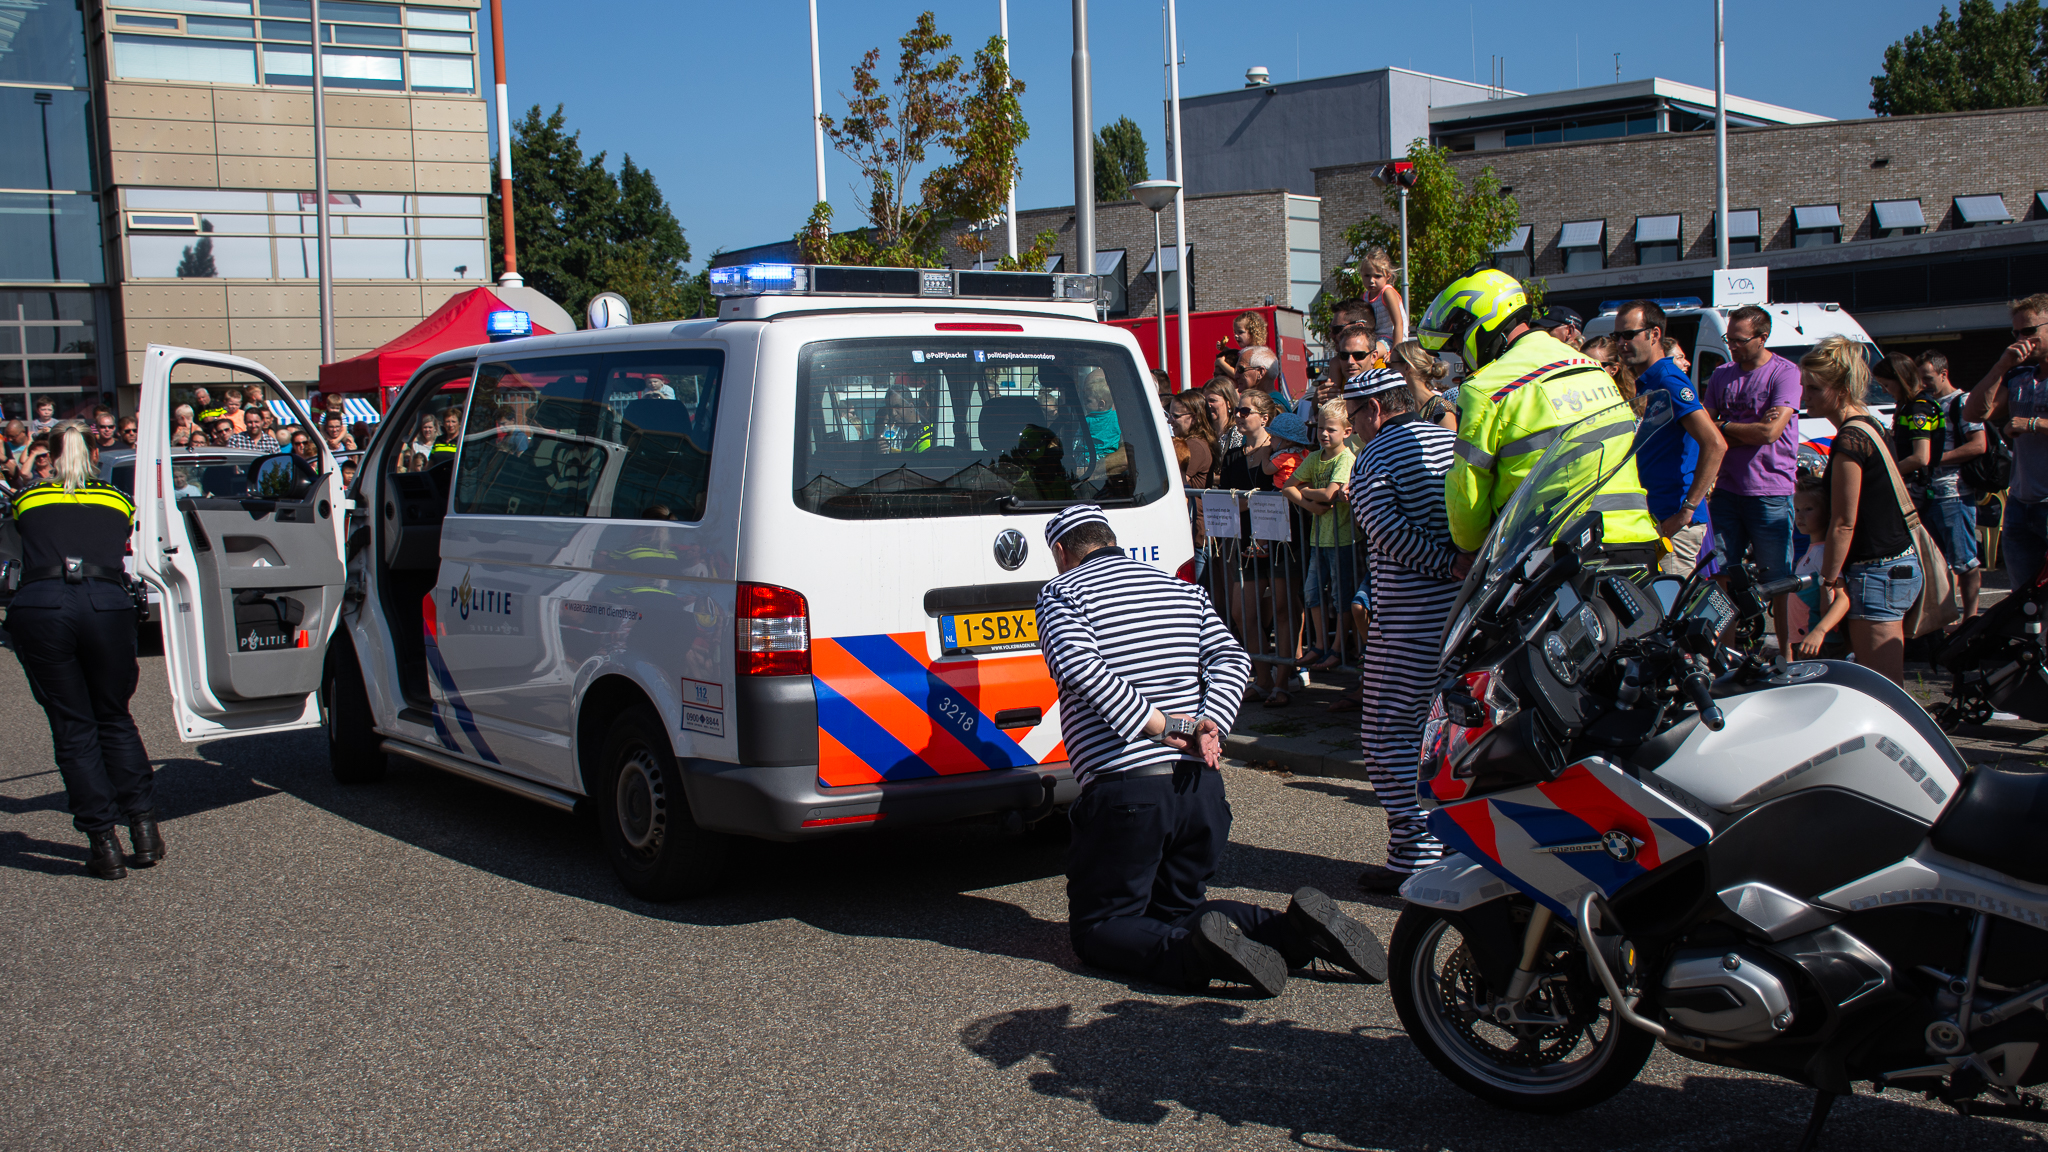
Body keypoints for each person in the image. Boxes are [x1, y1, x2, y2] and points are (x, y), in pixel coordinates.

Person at [1035, 504, 1386, 997]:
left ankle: (1194, 956)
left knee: (1101, 926)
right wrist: (1211, 724)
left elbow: (1081, 670)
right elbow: (1233, 657)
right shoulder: (1178, 588)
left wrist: (1164, 726)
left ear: (1061, 552)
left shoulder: (1061, 594)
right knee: (1177, 909)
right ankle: (1291, 931)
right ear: (1110, 538)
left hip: (1126, 789)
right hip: (1201, 789)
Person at [2, 424, 161, 879]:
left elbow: (18, 529)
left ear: (47, 455)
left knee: (73, 727)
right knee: (114, 716)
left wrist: (34, 471)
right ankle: (144, 829)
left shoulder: (29, 496)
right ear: (95, 451)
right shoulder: (116, 498)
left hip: (44, 604)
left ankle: (103, 843)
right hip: (105, 603)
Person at [1424, 270, 1658, 567]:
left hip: (1556, 555)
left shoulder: (1488, 388)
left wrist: (1467, 544)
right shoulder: (1590, 367)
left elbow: (1466, 494)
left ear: (1480, 323)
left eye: (1458, 344)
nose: (1460, 353)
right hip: (1635, 541)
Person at [1343, 368, 1462, 891]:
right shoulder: (1452, 441)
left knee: (1386, 735)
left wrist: (1445, 564)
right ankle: (1454, 844)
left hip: (1410, 618)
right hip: (1460, 615)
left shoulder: (1375, 457)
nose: (1351, 428)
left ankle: (1414, 854)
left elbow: (1387, 533)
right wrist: (1463, 567)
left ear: (1374, 408)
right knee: (1447, 734)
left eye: (1352, 417)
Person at [1803, 337, 1921, 685]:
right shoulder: (1870, 424)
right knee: (1877, 682)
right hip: (1887, 566)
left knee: (1884, 687)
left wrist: (1830, 580)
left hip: (1877, 570)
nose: (1804, 396)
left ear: (1839, 389)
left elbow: (1844, 522)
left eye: (1812, 388)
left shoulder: (1851, 439)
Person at [1702, 304, 1804, 653]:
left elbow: (1769, 432)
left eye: (1740, 340)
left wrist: (1726, 427)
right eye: (1729, 339)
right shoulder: (1721, 375)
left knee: (1777, 578)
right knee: (1722, 575)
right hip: (1729, 489)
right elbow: (1707, 429)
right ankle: (1725, 651)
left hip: (1770, 490)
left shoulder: (1784, 373)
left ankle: (1786, 655)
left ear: (1763, 337)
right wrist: (1736, 429)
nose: (1733, 346)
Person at [1614, 301, 1727, 577]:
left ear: (1654, 334)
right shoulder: (1650, 381)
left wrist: (1686, 511)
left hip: (1674, 522)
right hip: (1657, 516)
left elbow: (1715, 443)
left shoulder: (1669, 380)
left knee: (1669, 612)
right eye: (1616, 336)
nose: (1621, 343)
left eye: (1628, 335)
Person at [1965, 292, 2048, 590]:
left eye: (2029, 331)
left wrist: (2034, 424)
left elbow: (2028, 425)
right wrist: (2001, 367)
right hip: (2020, 503)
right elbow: (1973, 412)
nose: (2021, 339)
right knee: (2023, 599)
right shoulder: (2021, 377)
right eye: (2015, 332)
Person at [1906, 351, 1986, 620]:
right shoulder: (1921, 404)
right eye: (1919, 379)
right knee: (1936, 563)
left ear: (1943, 374)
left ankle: (1970, 619)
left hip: (1954, 492)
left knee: (1964, 561)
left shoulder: (1962, 402)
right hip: (1926, 493)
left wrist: (1931, 460)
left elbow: (1978, 445)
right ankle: (1945, 618)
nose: (1924, 384)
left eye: (1928, 378)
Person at [1281, 400, 1355, 673]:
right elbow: (1288, 487)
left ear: (1346, 432)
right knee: (1312, 593)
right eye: (1321, 428)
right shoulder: (1314, 457)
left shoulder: (1345, 458)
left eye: (1331, 430)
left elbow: (1329, 493)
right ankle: (1321, 645)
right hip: (1318, 538)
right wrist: (1312, 504)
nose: (1324, 434)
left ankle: (1339, 647)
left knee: (1340, 595)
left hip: (1342, 537)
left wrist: (1310, 491)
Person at [1791, 475, 1850, 659]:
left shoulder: (1825, 552)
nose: (1800, 515)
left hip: (1819, 644)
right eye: (1797, 509)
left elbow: (1843, 599)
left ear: (1827, 512)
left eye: (1809, 509)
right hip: (1805, 640)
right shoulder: (1813, 551)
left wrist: (1820, 631)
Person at [1389, 339, 1453, 429]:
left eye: (1390, 365)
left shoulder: (1442, 410)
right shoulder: (1400, 408)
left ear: (1407, 367)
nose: (1387, 371)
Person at [1358, 247, 1407, 346]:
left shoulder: (1387, 293)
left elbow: (1398, 323)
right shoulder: (1365, 296)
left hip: (1392, 338)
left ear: (1388, 276)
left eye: (1377, 276)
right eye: (1367, 276)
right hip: (1374, 338)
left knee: (1370, 351)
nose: (1371, 280)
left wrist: (1395, 352)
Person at [1168, 391, 1217, 489]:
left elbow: (1173, 483)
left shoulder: (1195, 445)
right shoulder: (1194, 442)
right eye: (1170, 415)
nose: (1170, 421)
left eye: (1176, 416)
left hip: (1190, 504)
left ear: (1194, 418)